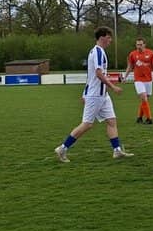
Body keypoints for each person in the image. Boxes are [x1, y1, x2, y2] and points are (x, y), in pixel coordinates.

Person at [55, 28, 133, 161]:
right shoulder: (97, 52)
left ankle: (117, 150)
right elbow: (97, 73)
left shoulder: (99, 52)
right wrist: (113, 87)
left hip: (102, 95)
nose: (110, 40)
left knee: (111, 121)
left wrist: (84, 93)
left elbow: (92, 76)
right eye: (109, 37)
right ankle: (62, 148)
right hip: (96, 95)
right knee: (87, 124)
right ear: (102, 37)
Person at [122, 37, 153, 125]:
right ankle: (149, 119)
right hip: (138, 80)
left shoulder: (151, 53)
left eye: (141, 44)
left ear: (144, 44)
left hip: (148, 79)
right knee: (143, 97)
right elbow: (130, 66)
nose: (139, 46)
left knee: (144, 100)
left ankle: (139, 117)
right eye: (137, 44)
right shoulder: (132, 54)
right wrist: (125, 77)